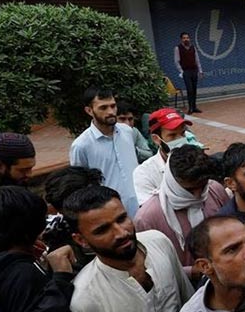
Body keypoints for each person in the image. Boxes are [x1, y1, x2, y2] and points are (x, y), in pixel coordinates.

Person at [63, 185, 193, 312]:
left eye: (122, 219)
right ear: (81, 240)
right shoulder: (83, 300)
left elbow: (189, 305)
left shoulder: (158, 242)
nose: (121, 232)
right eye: (103, 230)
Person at [134, 144, 229, 269]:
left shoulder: (214, 190)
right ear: (172, 182)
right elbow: (152, 267)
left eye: (202, 186)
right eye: (189, 190)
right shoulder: (147, 218)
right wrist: (191, 272)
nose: (197, 195)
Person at [68, 87, 140, 217]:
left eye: (113, 106)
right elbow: (80, 186)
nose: (111, 111)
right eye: (103, 108)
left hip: (141, 206)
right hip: (111, 215)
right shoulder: (81, 146)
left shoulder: (127, 131)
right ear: (89, 111)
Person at [133, 108, 195, 207]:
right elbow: (150, 212)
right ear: (156, 139)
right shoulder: (144, 173)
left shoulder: (196, 161)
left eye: (182, 133)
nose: (181, 140)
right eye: (172, 135)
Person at [174, 31, 203, 114]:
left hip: (194, 70)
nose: (186, 39)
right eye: (184, 38)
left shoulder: (193, 48)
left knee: (194, 89)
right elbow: (176, 61)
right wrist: (181, 71)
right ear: (181, 39)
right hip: (186, 71)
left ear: (189, 39)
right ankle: (190, 108)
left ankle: (194, 107)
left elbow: (197, 60)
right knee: (189, 90)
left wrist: (200, 70)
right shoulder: (177, 48)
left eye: (187, 38)